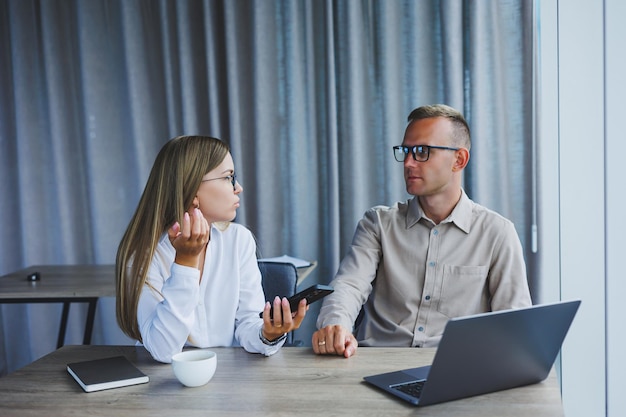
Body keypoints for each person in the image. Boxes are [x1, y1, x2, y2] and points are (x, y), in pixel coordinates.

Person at [313, 104, 532, 358]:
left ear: (458, 160)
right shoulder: (378, 224)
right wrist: (335, 325)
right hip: (375, 367)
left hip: (455, 371)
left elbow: (514, 327)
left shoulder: (497, 233)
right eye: (405, 151)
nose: (408, 163)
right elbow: (349, 286)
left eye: (421, 152)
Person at [115, 135, 307, 363]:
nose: (239, 188)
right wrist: (185, 263)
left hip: (229, 380)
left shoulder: (239, 241)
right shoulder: (144, 257)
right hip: (164, 384)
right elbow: (163, 350)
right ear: (193, 189)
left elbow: (248, 324)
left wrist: (268, 334)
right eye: (228, 178)